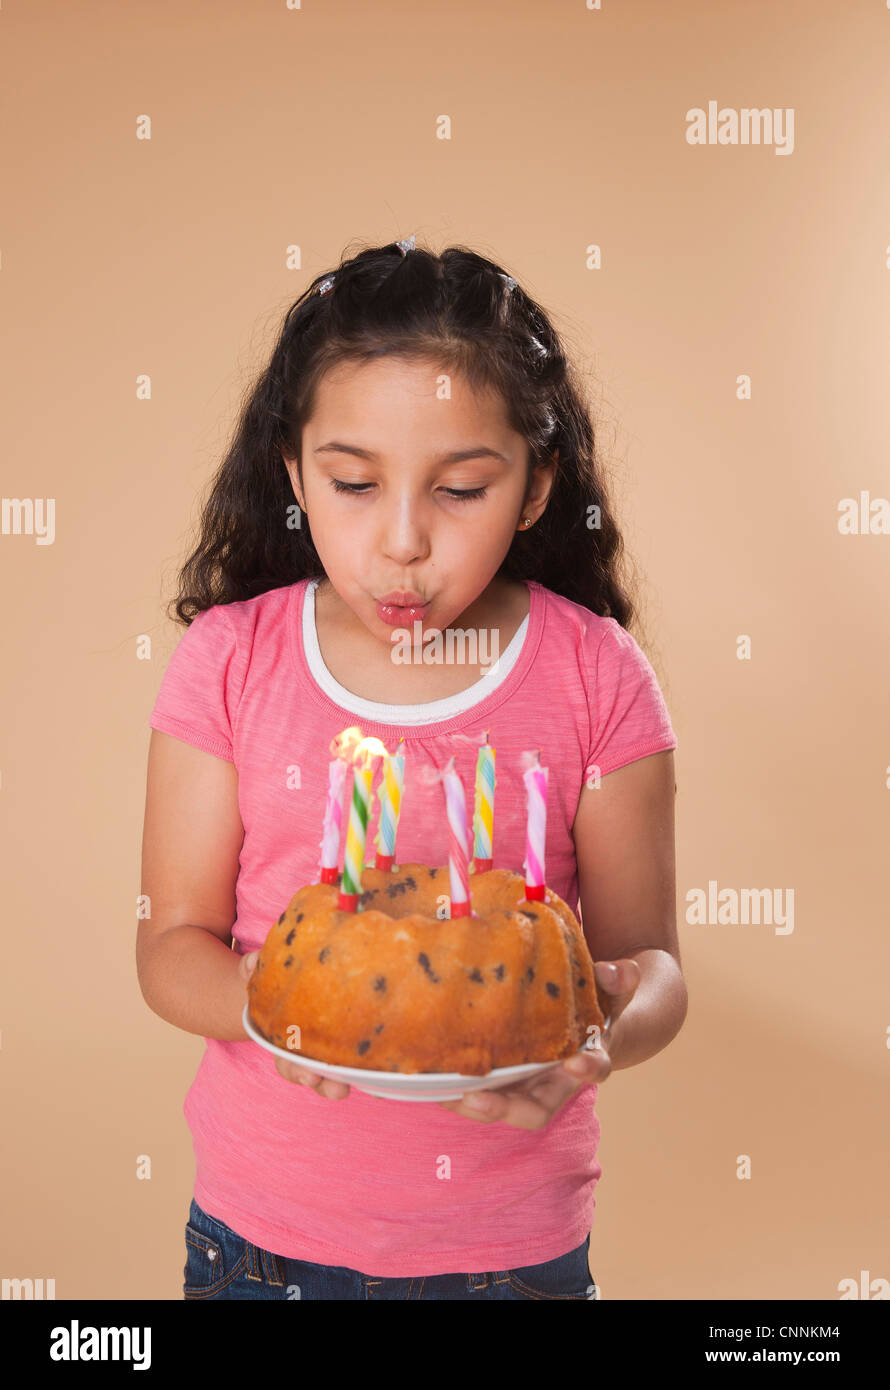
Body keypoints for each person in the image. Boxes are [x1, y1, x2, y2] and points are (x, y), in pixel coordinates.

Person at [138, 237, 686, 1300]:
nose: (400, 540)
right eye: (351, 482)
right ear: (292, 474)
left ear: (533, 489)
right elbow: (168, 945)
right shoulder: (231, 662)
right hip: (262, 1238)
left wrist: (594, 1036)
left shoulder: (594, 675)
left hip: (507, 1253)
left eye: (461, 490)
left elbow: (650, 964)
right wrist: (270, 1004)